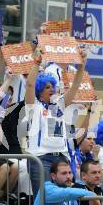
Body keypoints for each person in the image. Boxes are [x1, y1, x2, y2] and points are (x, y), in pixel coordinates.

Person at [25, 46, 86, 196]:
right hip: (41, 158)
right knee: (43, 199)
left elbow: (76, 86)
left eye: (52, 86)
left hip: (61, 157)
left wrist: (82, 65)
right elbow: (30, 84)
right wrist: (37, 63)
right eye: (47, 87)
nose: (52, 89)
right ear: (40, 91)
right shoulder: (34, 106)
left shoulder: (59, 105)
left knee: (63, 198)